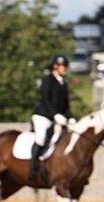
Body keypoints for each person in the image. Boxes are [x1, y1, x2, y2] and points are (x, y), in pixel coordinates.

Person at [29, 54, 74, 183]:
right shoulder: (47, 80)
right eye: (63, 66)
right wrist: (55, 115)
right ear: (56, 66)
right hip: (43, 116)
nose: (66, 69)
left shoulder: (63, 83)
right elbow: (45, 100)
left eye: (66, 66)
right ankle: (33, 168)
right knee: (41, 138)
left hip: (57, 118)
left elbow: (66, 105)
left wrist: (70, 118)